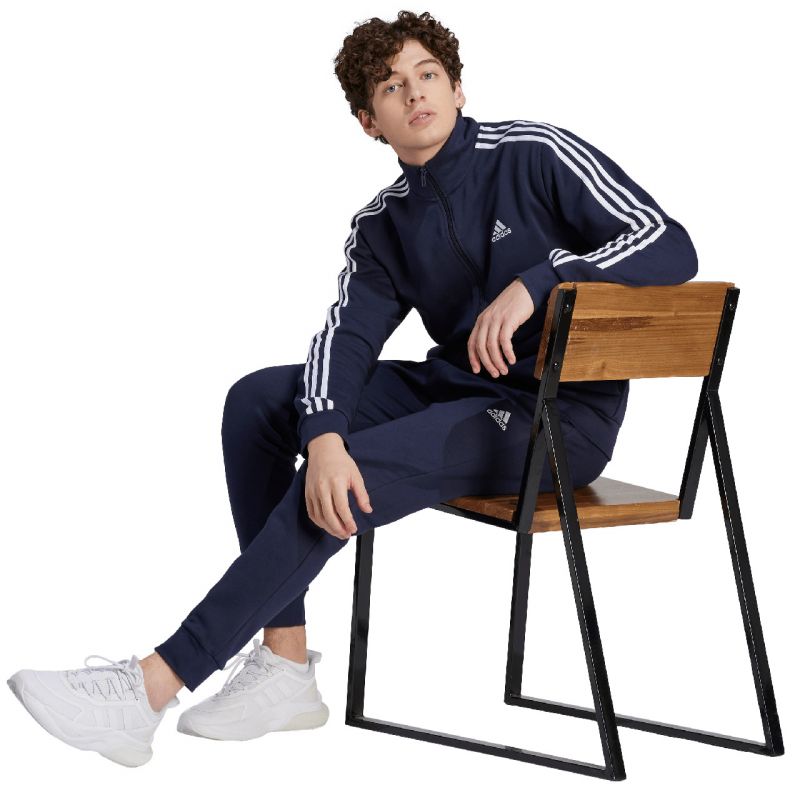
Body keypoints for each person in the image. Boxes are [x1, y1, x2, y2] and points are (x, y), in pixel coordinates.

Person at [6, 10, 698, 767]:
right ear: (370, 122)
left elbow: (667, 241)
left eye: (428, 75)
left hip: (557, 419)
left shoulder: (532, 154)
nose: (416, 93)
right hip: (459, 388)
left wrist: (542, 280)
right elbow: (348, 339)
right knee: (261, 402)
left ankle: (151, 686)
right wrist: (325, 435)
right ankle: (285, 665)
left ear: (458, 88)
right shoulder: (384, 224)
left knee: (350, 472)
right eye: (392, 87)